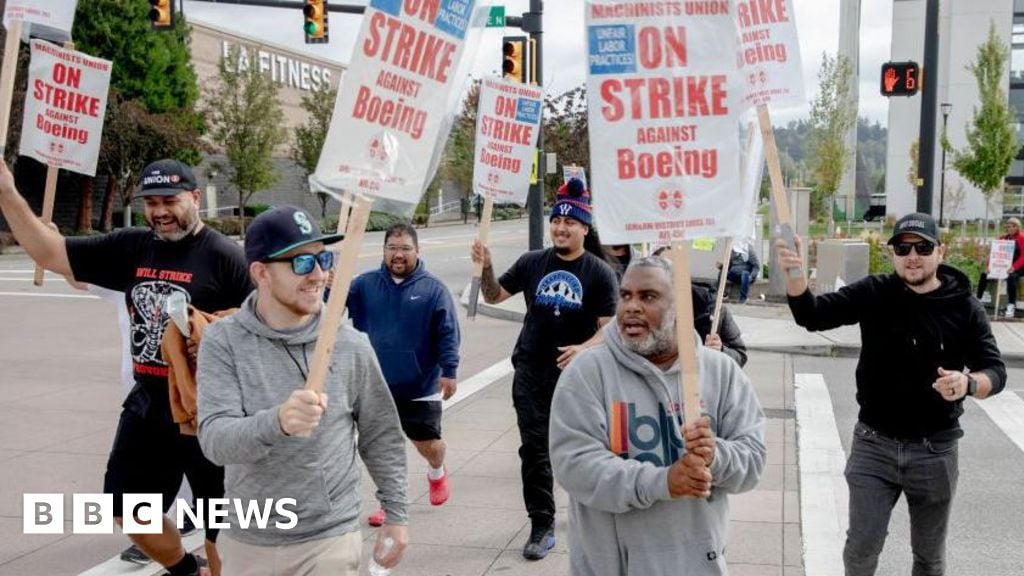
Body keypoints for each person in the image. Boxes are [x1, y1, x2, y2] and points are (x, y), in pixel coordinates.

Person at [0, 158, 252, 576]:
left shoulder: (227, 259)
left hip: (208, 409)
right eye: (151, 202)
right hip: (149, 404)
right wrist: (7, 193)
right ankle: (185, 571)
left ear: (194, 197)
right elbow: (50, 252)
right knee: (125, 505)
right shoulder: (133, 246)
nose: (159, 211)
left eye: (169, 200)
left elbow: (264, 328)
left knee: (220, 524)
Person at [776, 212, 1006, 576]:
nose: (912, 256)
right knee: (861, 550)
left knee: (929, 558)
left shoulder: (965, 307)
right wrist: (794, 273)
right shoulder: (875, 292)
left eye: (922, 247)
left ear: (940, 251)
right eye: (902, 248)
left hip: (936, 450)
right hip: (874, 445)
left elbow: (996, 370)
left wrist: (968, 383)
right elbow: (812, 315)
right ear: (893, 253)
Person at [197, 206, 409, 576]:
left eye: (322, 259)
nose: (318, 274)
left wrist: (397, 513)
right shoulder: (222, 341)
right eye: (300, 263)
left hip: (328, 537)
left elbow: (382, 435)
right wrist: (277, 422)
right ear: (261, 272)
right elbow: (215, 442)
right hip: (249, 537)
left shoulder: (350, 344)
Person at [550, 256, 766, 575]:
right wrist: (662, 482)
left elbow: (753, 460)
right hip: (611, 564)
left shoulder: (721, 372)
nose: (631, 307)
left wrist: (715, 456)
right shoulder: (586, 373)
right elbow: (575, 466)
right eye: (625, 295)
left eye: (648, 296)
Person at [471, 177, 618, 560]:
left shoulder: (599, 273)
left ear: (584, 228)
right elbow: (493, 295)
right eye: (557, 220)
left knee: (581, 451)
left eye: (570, 222)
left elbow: (611, 330)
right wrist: (487, 267)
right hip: (531, 372)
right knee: (534, 451)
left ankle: (594, 514)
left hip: (577, 381)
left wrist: (584, 350)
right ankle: (541, 524)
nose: (560, 227)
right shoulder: (532, 262)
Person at [347, 222, 460, 525]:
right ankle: (391, 504)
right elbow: (328, 308)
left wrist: (449, 370)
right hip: (375, 385)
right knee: (383, 450)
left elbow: (448, 332)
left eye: (405, 249)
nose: (398, 255)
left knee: (428, 444)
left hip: (420, 384)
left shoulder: (433, 290)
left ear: (417, 251)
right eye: (392, 248)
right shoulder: (363, 285)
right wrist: (331, 284)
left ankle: (437, 470)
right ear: (383, 251)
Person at [651, 245, 748, 366]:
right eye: (665, 267)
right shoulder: (642, 312)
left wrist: (721, 350)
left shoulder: (713, 309)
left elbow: (740, 356)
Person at [975, 217, 1024, 317]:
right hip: (1003, 265)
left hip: (1019, 266)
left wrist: (1014, 267)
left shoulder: (1022, 238)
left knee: (1011, 277)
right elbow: (994, 253)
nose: (1009, 229)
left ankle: (1011, 305)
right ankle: (978, 299)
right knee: (984, 274)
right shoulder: (1002, 239)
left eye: (1011, 227)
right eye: (1008, 227)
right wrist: (989, 266)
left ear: (1017, 227)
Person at [719, 238, 760, 304]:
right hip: (735, 274)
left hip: (746, 275)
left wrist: (752, 276)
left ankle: (743, 298)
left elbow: (756, 266)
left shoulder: (749, 250)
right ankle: (722, 293)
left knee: (745, 274)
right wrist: (722, 267)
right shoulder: (732, 251)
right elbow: (729, 265)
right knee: (722, 272)